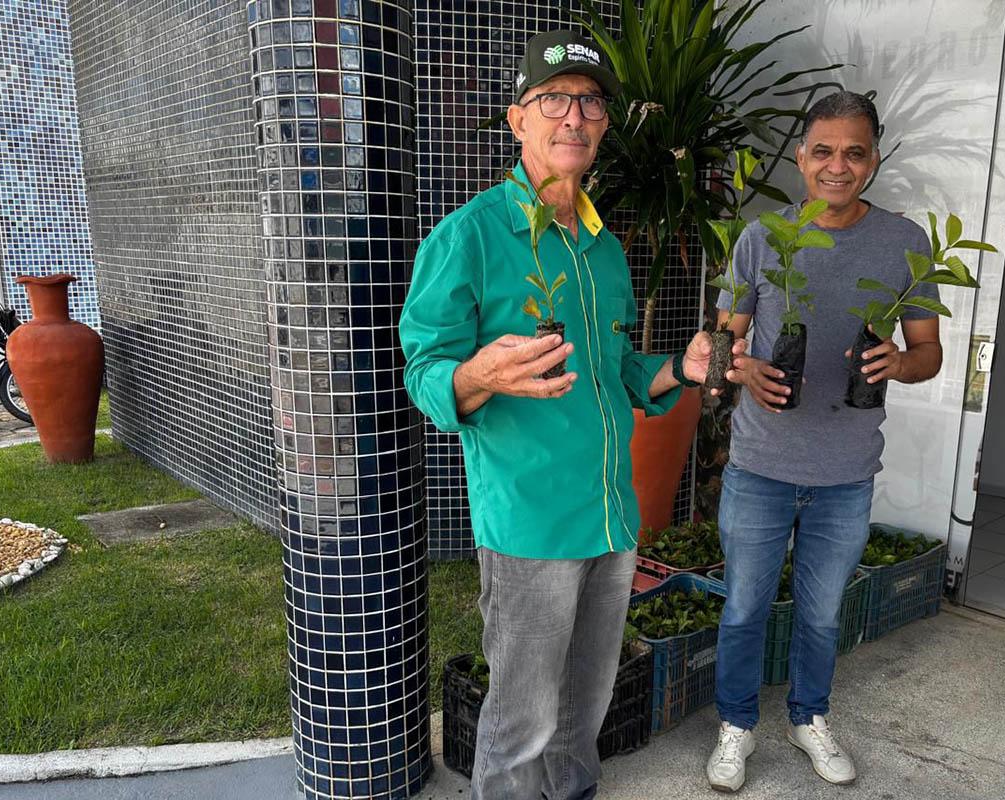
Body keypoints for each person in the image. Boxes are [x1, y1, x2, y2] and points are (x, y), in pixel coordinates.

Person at [400, 29, 727, 800]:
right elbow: (423, 370)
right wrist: (478, 371)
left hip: (610, 515)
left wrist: (680, 366)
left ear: (605, 124)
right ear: (518, 119)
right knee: (524, 712)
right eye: (553, 99)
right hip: (530, 520)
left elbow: (618, 373)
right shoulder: (471, 236)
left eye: (590, 102)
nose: (573, 117)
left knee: (586, 702)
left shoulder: (602, 247)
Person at [704, 90, 944, 791]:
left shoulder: (907, 243)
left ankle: (810, 716)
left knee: (821, 611)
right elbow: (721, 338)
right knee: (745, 605)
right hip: (760, 461)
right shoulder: (761, 239)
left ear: (873, 159)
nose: (837, 166)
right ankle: (736, 726)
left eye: (855, 152)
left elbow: (927, 350)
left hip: (846, 469)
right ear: (802, 157)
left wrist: (900, 362)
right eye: (823, 151)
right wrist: (738, 368)